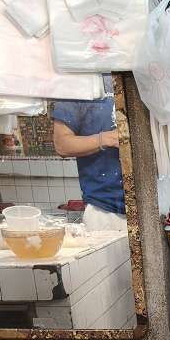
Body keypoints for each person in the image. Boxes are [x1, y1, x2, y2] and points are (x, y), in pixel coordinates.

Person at [51, 78, 127, 233]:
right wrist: (106, 139)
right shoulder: (78, 81)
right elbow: (62, 144)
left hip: (154, 203)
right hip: (105, 211)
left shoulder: (144, 72)